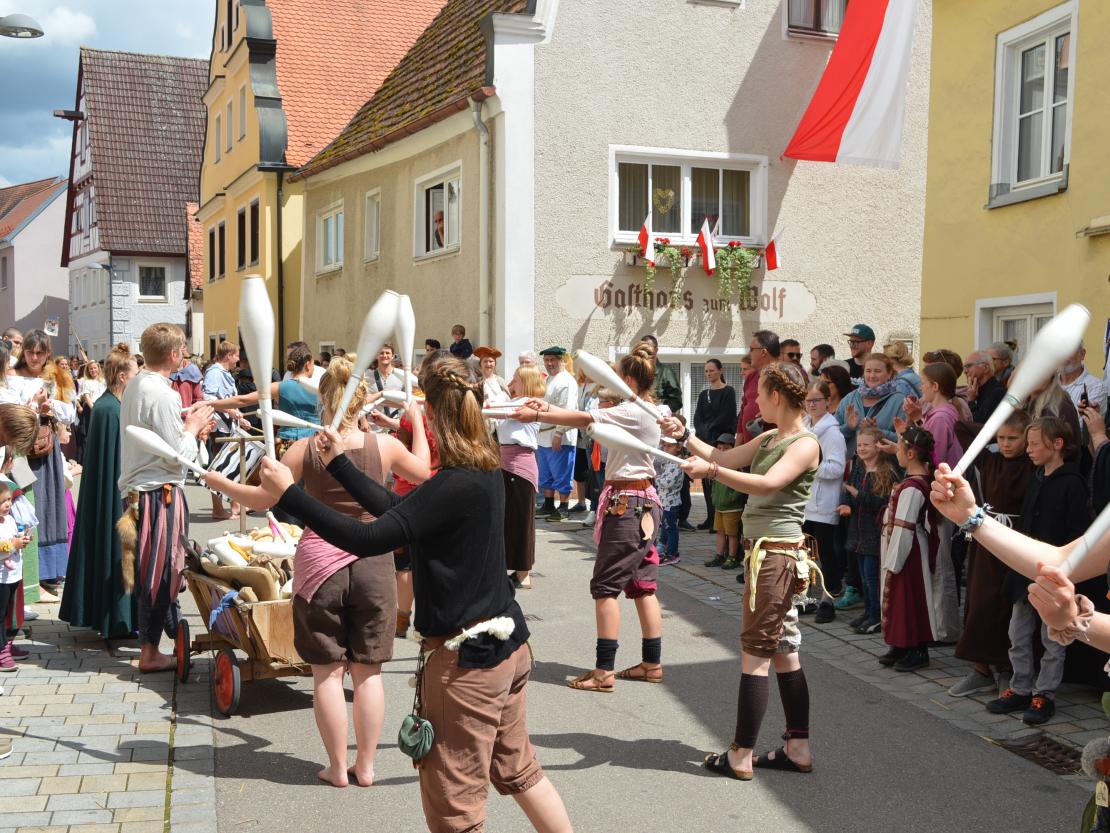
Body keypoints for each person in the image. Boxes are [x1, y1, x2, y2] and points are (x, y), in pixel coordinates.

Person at [256, 355, 572, 832]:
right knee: (521, 773)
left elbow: (370, 538)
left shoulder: (455, 481)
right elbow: (401, 510)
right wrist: (340, 463)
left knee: (455, 812)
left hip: (468, 663)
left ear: (433, 415)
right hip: (508, 647)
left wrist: (291, 496)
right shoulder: (483, 469)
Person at [207, 356, 431, 788]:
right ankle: (365, 766)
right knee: (369, 671)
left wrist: (219, 483)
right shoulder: (383, 446)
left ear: (321, 400)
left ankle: (336, 766)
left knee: (327, 672)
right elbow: (422, 472)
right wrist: (416, 422)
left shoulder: (302, 449)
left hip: (320, 565)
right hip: (373, 563)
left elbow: (258, 498)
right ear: (362, 399)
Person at [664, 362, 820, 779]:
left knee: (755, 656)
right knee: (785, 651)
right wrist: (685, 437)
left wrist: (711, 473)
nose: (753, 399)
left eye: (759, 393)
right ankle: (798, 747)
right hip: (767, 556)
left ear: (777, 397)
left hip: (776, 557)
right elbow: (722, 455)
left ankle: (740, 754)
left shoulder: (805, 443)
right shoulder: (771, 435)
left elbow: (768, 483)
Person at [516, 345, 665, 692]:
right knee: (643, 586)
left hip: (627, 505)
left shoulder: (634, 412)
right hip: (642, 503)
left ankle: (603, 672)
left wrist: (544, 412)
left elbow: (586, 419)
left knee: (605, 588)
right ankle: (651, 663)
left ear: (627, 380)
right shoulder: (651, 410)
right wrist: (548, 410)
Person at [119, 323, 213, 672]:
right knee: (162, 573)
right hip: (159, 494)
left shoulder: (137, 384)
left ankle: (164, 641)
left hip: (143, 491)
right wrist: (192, 428)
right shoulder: (163, 393)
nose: (185, 355)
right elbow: (177, 453)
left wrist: (186, 418)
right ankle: (150, 652)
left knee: (156, 572)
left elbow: (157, 430)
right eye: (183, 349)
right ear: (173, 354)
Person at [990, 417, 1089, 724]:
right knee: (1017, 633)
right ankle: (1020, 686)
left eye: (1034, 444)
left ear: (1057, 444)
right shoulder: (1037, 476)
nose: (1028, 450)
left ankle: (1044, 693)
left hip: (1054, 572)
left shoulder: (1072, 482)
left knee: (1052, 638)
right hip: (1025, 572)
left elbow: (1077, 532)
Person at [948, 410, 1033, 697]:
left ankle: (1007, 670)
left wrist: (1028, 430)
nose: (1006, 443)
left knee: (1008, 608)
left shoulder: (1033, 465)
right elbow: (961, 426)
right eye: (1001, 437)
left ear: (1027, 438)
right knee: (980, 603)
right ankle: (981, 670)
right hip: (988, 542)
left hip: (1018, 544)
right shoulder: (990, 460)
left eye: (1013, 437)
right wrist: (997, 421)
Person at [59, 345, 140, 639]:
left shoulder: (111, 407)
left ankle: (119, 618)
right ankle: (114, 619)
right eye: (135, 373)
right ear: (121, 376)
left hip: (116, 494)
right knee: (115, 549)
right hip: (114, 498)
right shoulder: (110, 411)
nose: (138, 378)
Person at [10, 330, 78, 601]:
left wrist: (52, 408)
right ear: (23, 352)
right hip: (19, 450)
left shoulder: (57, 376)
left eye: (40, 353)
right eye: (30, 352)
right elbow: (7, 411)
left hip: (46, 448)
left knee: (49, 505)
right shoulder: (11, 377)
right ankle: (27, 573)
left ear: (47, 353)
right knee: (25, 503)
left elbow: (71, 412)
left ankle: (49, 572)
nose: (35, 358)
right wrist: (32, 406)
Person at [879, 426, 940, 672]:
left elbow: (905, 527)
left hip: (908, 551)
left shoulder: (913, 487)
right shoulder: (913, 482)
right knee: (900, 599)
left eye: (900, 447)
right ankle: (901, 643)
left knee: (910, 598)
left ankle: (917, 649)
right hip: (903, 547)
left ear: (911, 454)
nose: (897, 452)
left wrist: (894, 560)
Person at [838, 427, 896, 635]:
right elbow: (850, 494)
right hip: (857, 532)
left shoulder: (885, 472)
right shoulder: (858, 468)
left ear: (878, 447)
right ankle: (868, 611)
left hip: (874, 534)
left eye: (866, 445)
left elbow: (882, 503)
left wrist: (857, 495)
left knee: (873, 578)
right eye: (859, 444)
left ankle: (876, 615)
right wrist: (848, 505)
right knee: (863, 577)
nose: (861, 448)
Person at [802, 380, 847, 624]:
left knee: (826, 555)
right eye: (808, 400)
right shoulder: (805, 427)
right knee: (806, 553)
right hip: (805, 502)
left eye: (817, 400)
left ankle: (828, 602)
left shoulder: (832, 433)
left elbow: (837, 468)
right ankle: (807, 597)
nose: (811, 405)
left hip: (824, 503)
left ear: (827, 402)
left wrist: (810, 465)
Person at [498, 365, 544, 589]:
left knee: (521, 520)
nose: (511, 381)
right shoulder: (517, 400)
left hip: (519, 467)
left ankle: (524, 572)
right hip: (507, 463)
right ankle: (516, 568)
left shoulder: (528, 403)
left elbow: (499, 411)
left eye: (515, 378)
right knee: (509, 519)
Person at [203, 341, 246, 520]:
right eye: (236, 355)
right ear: (228, 355)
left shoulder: (223, 373)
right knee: (220, 468)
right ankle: (218, 509)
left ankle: (234, 505)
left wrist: (239, 417)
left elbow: (228, 400)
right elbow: (209, 397)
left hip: (228, 425)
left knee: (230, 465)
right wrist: (230, 411)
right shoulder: (214, 373)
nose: (238, 359)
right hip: (220, 426)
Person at [535, 347, 578, 521]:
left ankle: (564, 508)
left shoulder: (566, 381)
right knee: (546, 474)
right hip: (544, 435)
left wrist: (559, 433)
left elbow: (567, 410)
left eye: (553, 359)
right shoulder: (550, 379)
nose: (549, 363)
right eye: (547, 360)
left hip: (558, 435)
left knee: (562, 473)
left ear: (562, 361)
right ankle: (548, 504)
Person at [694, 359, 738, 530]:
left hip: (720, 442)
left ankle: (720, 517)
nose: (709, 374)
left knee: (719, 480)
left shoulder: (729, 391)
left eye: (712, 370)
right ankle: (710, 517)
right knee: (707, 481)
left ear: (720, 371)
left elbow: (727, 416)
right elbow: (698, 418)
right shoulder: (703, 394)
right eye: (706, 371)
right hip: (706, 441)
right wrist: (702, 433)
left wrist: (711, 430)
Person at [837, 352, 906, 458]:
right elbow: (833, 436)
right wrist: (849, 428)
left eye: (877, 371)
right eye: (868, 371)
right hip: (852, 468)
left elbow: (905, 441)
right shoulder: (849, 399)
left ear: (889, 374)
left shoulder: (899, 401)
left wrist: (877, 432)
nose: (872, 375)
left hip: (885, 467)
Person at [0, 482, 31, 671]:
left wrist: (22, 538)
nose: (7, 504)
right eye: (3, 501)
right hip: (1, 578)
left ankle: (7, 645)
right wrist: (13, 544)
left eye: (9, 500)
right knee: (0, 614)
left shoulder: (9, 520)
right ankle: (1, 650)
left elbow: (14, 537)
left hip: (13, 575)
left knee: (10, 613)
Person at [704, 433, 744, 572]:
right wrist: (714, 498)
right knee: (720, 532)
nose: (721, 451)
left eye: (725, 448)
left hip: (732, 508)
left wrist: (733, 498)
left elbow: (741, 485)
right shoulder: (717, 466)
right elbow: (714, 485)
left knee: (732, 534)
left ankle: (732, 557)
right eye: (719, 448)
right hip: (719, 507)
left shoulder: (736, 466)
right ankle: (719, 555)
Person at [737, 330, 779, 443]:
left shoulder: (784, 377)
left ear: (763, 352)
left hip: (772, 449)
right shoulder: (751, 377)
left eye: (751, 349)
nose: (749, 354)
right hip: (748, 449)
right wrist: (738, 446)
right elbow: (743, 411)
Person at [570, 369, 600, 520]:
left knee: (595, 473)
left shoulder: (598, 387)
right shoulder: (579, 385)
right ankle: (582, 502)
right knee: (580, 470)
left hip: (591, 435)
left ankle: (595, 508)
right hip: (580, 434)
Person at [640, 335, 681, 414]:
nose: (647, 350)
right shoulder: (634, 370)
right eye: (644, 348)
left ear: (656, 349)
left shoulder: (666, 372)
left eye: (649, 346)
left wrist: (661, 410)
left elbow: (676, 400)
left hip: (658, 418)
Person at [964, 351, 1005, 424]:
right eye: (964, 367)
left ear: (985, 368)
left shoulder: (997, 392)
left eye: (969, 366)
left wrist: (971, 401)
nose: (965, 371)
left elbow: (979, 423)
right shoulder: (977, 390)